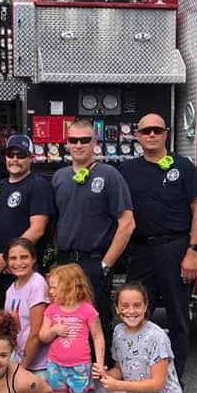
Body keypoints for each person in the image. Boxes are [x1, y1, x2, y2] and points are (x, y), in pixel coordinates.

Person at [118, 113, 197, 381]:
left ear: (166, 133)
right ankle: (137, 376)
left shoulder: (184, 166)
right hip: (141, 251)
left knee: (178, 316)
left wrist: (192, 252)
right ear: (137, 136)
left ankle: (174, 380)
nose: (152, 135)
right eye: (146, 131)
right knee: (133, 314)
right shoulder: (127, 171)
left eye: (157, 130)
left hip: (176, 249)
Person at [51, 118, 135, 373]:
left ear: (95, 143)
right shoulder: (60, 177)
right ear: (66, 143)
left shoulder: (110, 176)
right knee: (66, 323)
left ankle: (103, 384)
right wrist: (56, 260)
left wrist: (105, 264)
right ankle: (71, 382)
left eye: (85, 140)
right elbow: (56, 222)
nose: (78, 145)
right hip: (66, 262)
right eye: (73, 140)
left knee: (97, 325)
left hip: (94, 262)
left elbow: (127, 223)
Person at [91, 283, 184, 393]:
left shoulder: (156, 336)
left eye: (137, 305)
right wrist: (104, 375)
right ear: (117, 308)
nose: (131, 311)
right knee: (88, 383)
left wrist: (117, 384)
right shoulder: (118, 331)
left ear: (145, 307)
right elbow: (120, 369)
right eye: (125, 306)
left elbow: (158, 383)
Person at [38, 264, 105, 393]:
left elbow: (98, 337)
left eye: (54, 287)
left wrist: (99, 363)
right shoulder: (52, 310)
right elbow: (42, 336)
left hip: (80, 366)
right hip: (56, 365)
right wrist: (54, 331)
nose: (50, 291)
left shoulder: (87, 310)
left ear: (70, 286)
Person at [0, 134, 55, 308]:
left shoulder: (38, 185)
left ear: (31, 158)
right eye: (11, 154)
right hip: (1, 268)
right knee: (6, 318)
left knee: (26, 319)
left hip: (24, 268)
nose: (15, 159)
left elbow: (38, 229)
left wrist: (8, 257)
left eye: (21, 155)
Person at [4, 237, 49, 375]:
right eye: (13, 258)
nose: (18, 263)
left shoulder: (37, 283)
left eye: (24, 257)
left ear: (33, 259)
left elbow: (35, 334)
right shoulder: (11, 289)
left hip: (39, 365)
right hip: (17, 358)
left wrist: (21, 370)